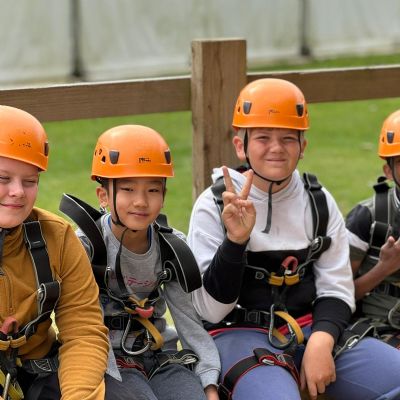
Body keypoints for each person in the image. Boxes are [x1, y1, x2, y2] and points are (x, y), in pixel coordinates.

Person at [187, 78, 400, 400]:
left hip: (311, 327)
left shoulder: (318, 201)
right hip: (240, 334)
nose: (276, 148)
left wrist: (322, 341)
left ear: (303, 146)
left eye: (288, 138)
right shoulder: (215, 204)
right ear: (241, 145)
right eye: (263, 137)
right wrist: (235, 242)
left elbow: (336, 286)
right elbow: (210, 311)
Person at [70, 125, 220, 400]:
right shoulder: (84, 247)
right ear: (103, 196)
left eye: (152, 189)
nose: (140, 201)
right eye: (128, 189)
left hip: (161, 356)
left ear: (163, 195)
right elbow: (83, 327)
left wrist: (209, 382)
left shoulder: (172, 247)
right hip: (108, 360)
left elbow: (188, 320)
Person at [0, 105, 109, 400]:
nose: (18, 192)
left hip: (41, 371)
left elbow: (83, 330)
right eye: (3, 178)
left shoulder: (57, 238)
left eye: (30, 181)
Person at [346, 109, 400, 347]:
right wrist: (385, 267)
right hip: (379, 327)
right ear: (388, 171)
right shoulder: (367, 217)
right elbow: (337, 296)